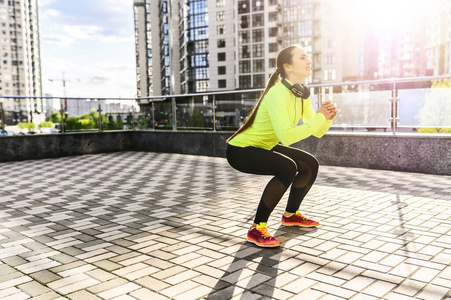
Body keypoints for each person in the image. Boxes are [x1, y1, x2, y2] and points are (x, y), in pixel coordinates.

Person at [226, 45, 337, 247]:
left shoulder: (301, 94)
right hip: (240, 150)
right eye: (303, 58)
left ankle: (291, 215)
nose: (309, 61)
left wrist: (326, 118)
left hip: (263, 146)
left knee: (309, 164)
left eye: (308, 57)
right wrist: (320, 117)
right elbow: (286, 137)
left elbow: (317, 131)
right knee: (287, 167)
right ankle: (257, 228)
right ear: (288, 66)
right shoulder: (278, 94)